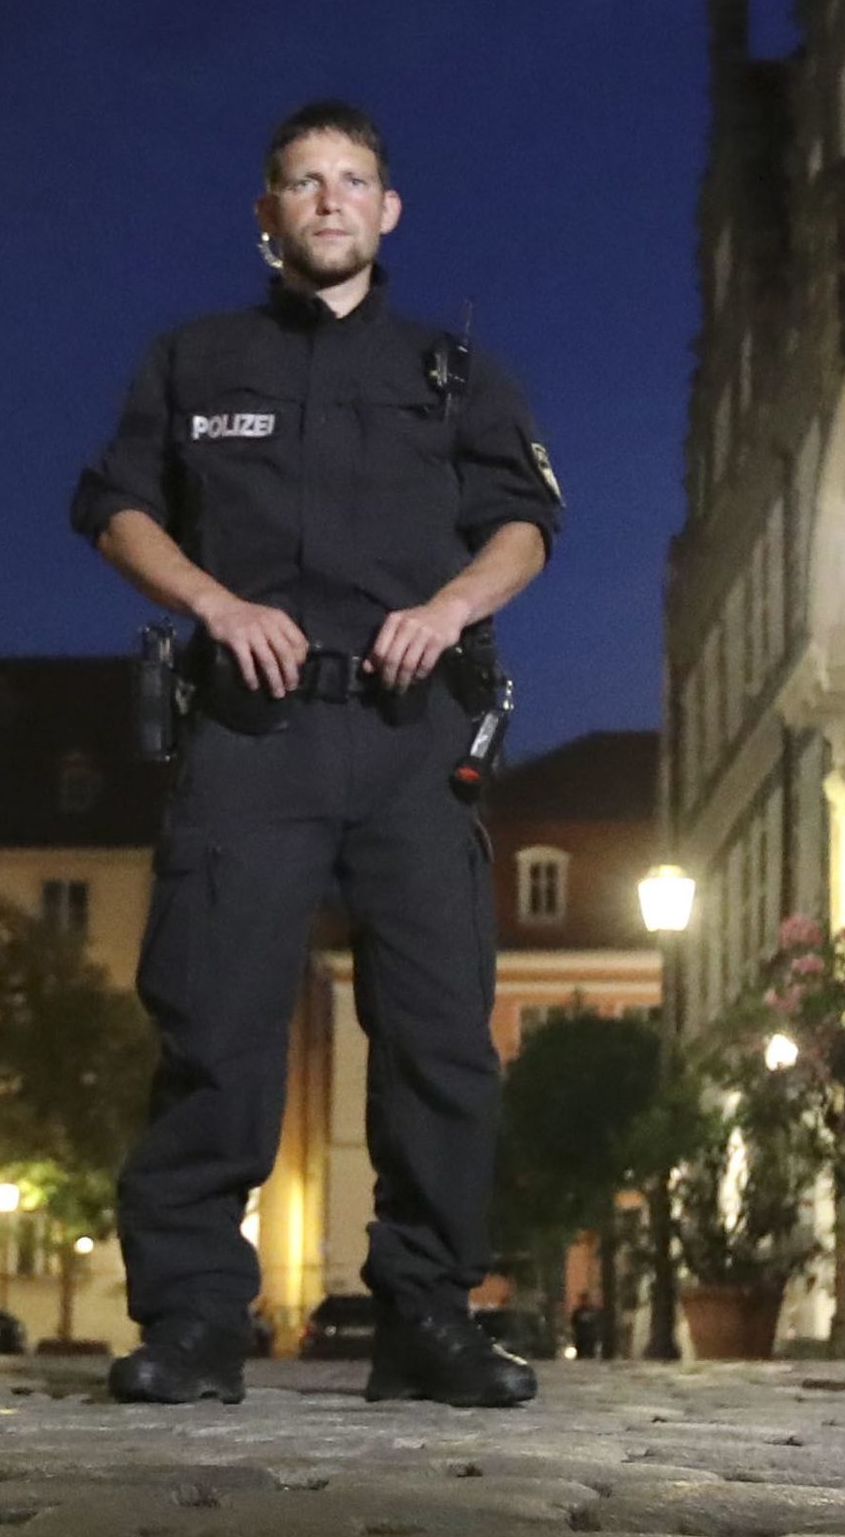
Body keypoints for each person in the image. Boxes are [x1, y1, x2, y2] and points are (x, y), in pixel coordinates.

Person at [73, 101, 561, 1408]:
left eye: (354, 181)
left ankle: (427, 1317)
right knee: (216, 1017)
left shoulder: (454, 373)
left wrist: (455, 606)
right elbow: (116, 506)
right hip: (251, 727)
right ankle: (190, 1324)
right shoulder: (194, 359)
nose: (331, 200)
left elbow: (524, 524)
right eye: (304, 181)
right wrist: (218, 606)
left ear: (388, 210)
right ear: (267, 212)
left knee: (440, 1033)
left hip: (411, 734)